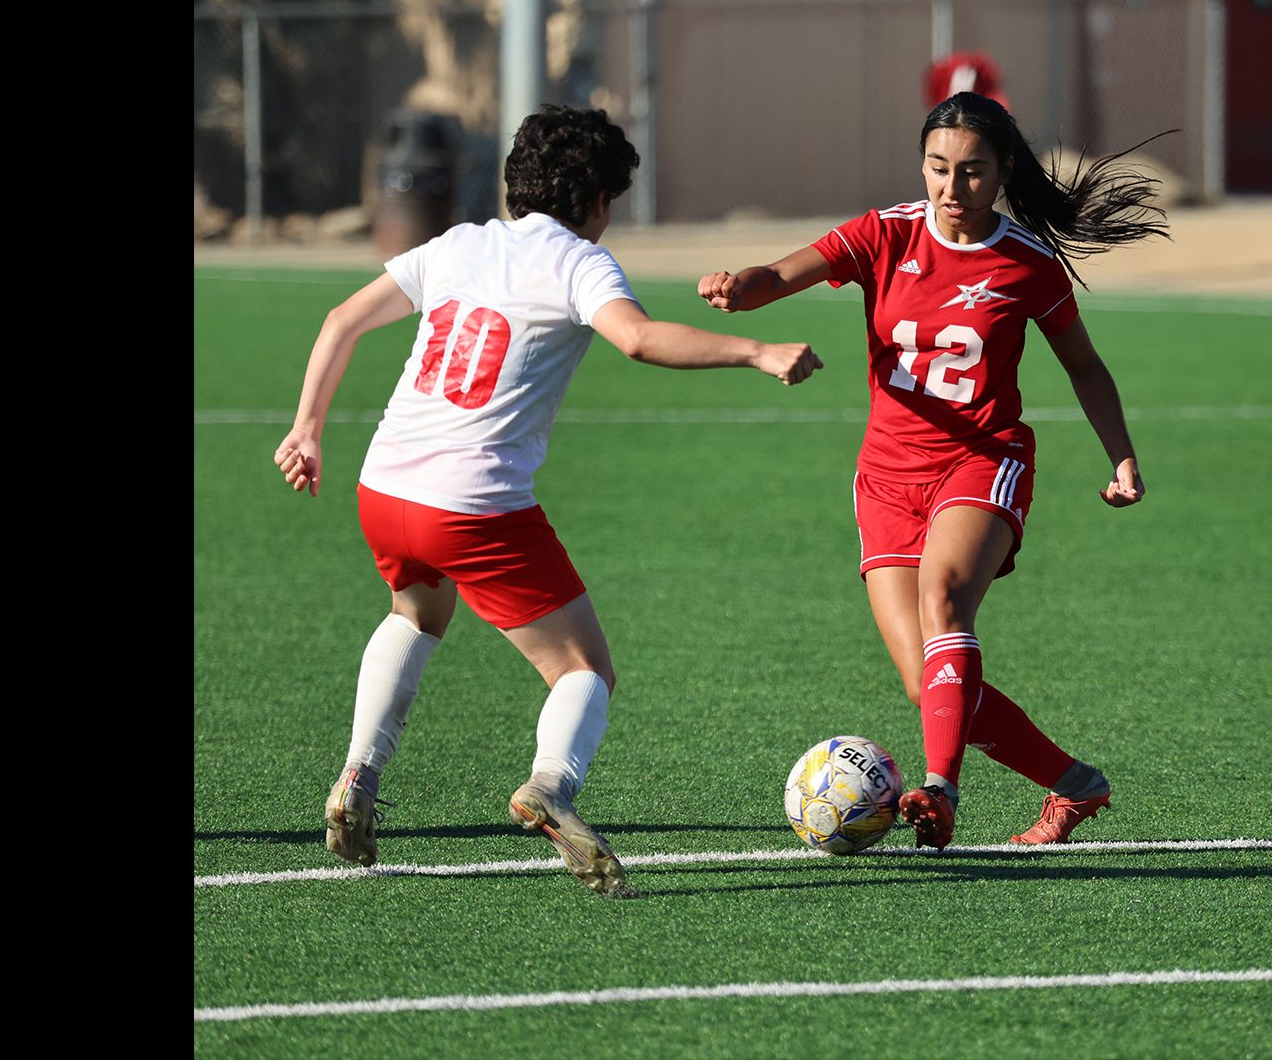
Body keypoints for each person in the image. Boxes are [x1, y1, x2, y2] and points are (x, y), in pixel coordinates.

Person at [275, 106, 823, 898]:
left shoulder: (461, 243)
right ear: (598, 200)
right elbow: (636, 339)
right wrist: (757, 350)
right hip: (472, 505)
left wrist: (307, 430)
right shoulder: (577, 263)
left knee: (417, 616)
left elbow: (341, 320)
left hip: (385, 486)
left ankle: (356, 776)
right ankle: (551, 787)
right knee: (583, 669)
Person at [697, 92, 1168, 851]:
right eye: (938, 168)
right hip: (886, 477)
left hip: (984, 458)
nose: (953, 188)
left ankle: (941, 790)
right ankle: (1077, 784)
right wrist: (737, 289)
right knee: (929, 685)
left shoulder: (1028, 264)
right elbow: (780, 275)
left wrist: (1122, 455)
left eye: (973, 172)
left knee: (944, 601)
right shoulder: (883, 235)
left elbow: (1084, 367)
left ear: (1004, 172)